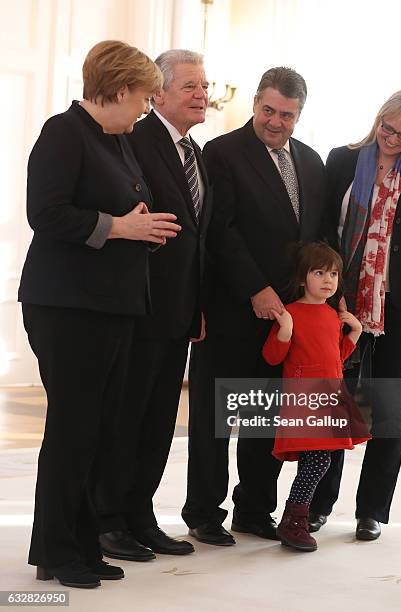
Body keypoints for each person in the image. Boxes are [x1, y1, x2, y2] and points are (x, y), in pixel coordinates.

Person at [18, 40, 181, 588]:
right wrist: (120, 227)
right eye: (141, 97)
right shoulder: (63, 132)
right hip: (68, 306)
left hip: (111, 304)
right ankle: (55, 552)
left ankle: (82, 545)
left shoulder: (119, 139)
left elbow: (122, 211)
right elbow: (46, 213)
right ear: (115, 90)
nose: (145, 108)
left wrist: (141, 227)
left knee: (99, 430)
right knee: (73, 429)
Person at [182, 67, 326, 545]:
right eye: (268, 110)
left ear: (299, 114)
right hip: (231, 308)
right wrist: (256, 288)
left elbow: (313, 239)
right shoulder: (221, 153)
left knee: (264, 419)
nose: (275, 121)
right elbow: (220, 231)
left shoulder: (310, 161)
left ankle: (254, 509)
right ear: (255, 104)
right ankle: (204, 513)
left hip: (284, 321)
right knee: (216, 419)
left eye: (287, 114)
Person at [310, 89, 401, 541]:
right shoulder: (343, 161)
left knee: (387, 409)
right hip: (341, 300)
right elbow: (322, 228)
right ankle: (318, 504)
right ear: (378, 120)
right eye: (387, 128)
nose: (392, 139)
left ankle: (372, 509)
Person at [97, 50, 212, 560]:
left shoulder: (196, 152)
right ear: (157, 94)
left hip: (178, 311)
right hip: (138, 307)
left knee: (161, 419)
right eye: (189, 86)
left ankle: (141, 516)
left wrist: (197, 305)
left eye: (205, 85)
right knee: (127, 417)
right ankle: (109, 520)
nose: (202, 94)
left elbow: (197, 238)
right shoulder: (135, 141)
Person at [262, 242, 369, 551]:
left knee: (318, 459)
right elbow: (272, 356)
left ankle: (296, 519)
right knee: (319, 459)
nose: (328, 280)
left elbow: (335, 358)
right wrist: (285, 331)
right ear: (301, 279)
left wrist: (355, 333)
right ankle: (293, 520)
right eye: (319, 273)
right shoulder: (291, 313)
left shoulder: (332, 315)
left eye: (333, 274)